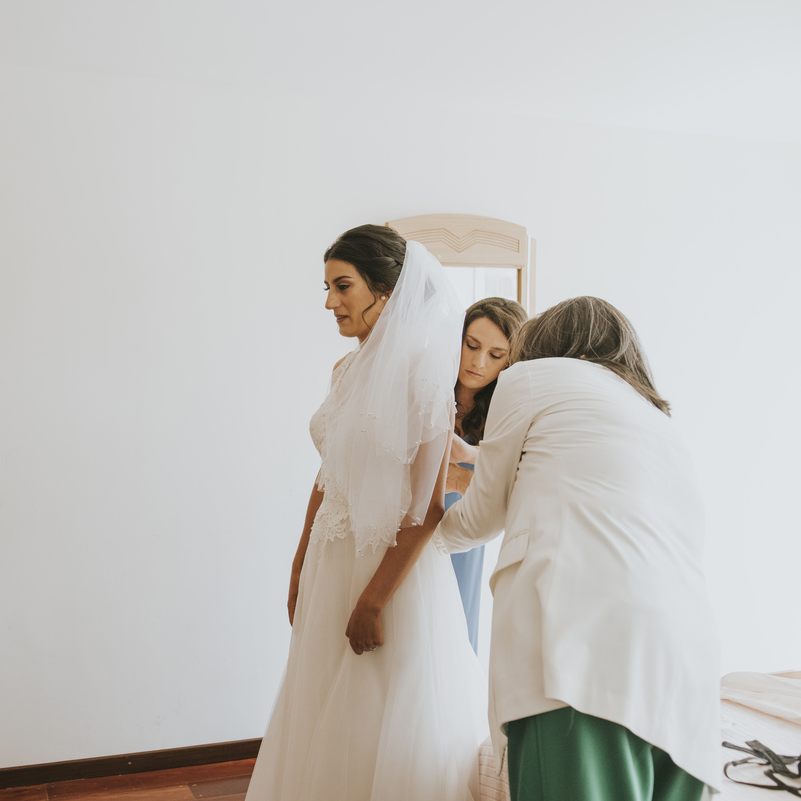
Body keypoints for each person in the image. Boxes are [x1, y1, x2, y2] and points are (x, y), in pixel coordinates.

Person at [432, 296, 721, 801]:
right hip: (685, 669)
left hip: (580, 649)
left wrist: (407, 530)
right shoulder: (655, 419)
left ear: (539, 346)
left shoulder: (529, 380)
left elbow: (478, 519)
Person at [246, 225, 486, 801]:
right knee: (322, 707)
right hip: (334, 561)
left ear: (387, 289)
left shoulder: (426, 378)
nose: (330, 302)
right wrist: (301, 562)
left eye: (342, 286)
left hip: (389, 575)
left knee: (382, 713)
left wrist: (374, 599)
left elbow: (427, 506)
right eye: (328, 287)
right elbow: (328, 476)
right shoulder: (344, 372)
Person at [445, 298, 528, 652]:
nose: (478, 363)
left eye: (495, 355)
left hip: (462, 538)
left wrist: (470, 458)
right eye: (472, 346)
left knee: (452, 638)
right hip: (404, 527)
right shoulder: (425, 392)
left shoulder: (508, 410)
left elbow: (517, 472)